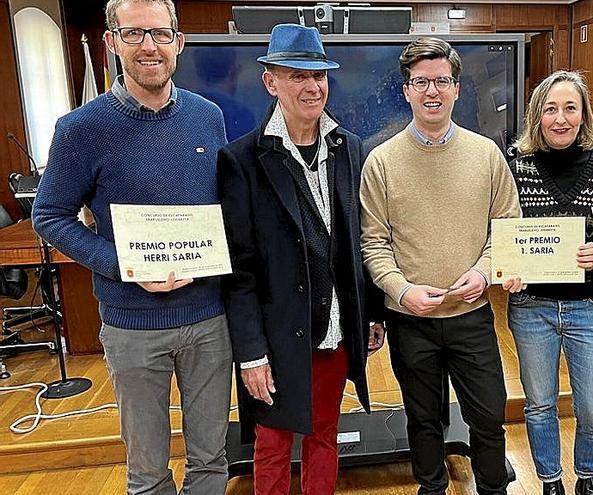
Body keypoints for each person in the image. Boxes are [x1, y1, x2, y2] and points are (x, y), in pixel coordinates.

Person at [31, 0, 232, 493]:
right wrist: (121, 264)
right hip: (133, 327)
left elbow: (222, 206)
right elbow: (49, 215)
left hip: (209, 320)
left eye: (161, 34)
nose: (149, 46)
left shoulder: (208, 118)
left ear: (178, 44)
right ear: (112, 42)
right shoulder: (81, 129)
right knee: (148, 473)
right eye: (135, 33)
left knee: (211, 460)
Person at [217, 23, 386, 495]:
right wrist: (250, 353)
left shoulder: (349, 147)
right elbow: (240, 271)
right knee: (271, 446)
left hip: (334, 331)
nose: (312, 87)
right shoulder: (242, 160)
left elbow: (359, 240)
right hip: (274, 340)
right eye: (296, 76)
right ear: (271, 82)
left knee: (324, 436)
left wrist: (369, 313)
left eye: (319, 76)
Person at [359, 37, 521, 495]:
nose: (432, 91)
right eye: (421, 82)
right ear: (407, 90)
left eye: (441, 81)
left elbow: (506, 228)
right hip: (412, 319)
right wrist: (401, 290)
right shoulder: (380, 160)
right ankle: (431, 488)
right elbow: (373, 243)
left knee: (488, 417)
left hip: (471, 317)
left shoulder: (487, 154)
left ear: (455, 88)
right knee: (423, 419)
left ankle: (493, 488)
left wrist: (484, 271)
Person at [502, 71, 593, 495]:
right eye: (551, 108)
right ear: (537, 115)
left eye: (570, 107)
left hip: (590, 307)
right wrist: (507, 265)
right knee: (539, 405)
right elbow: (500, 229)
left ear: (583, 114)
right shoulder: (514, 165)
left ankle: (588, 479)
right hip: (531, 306)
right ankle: (550, 481)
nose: (560, 118)